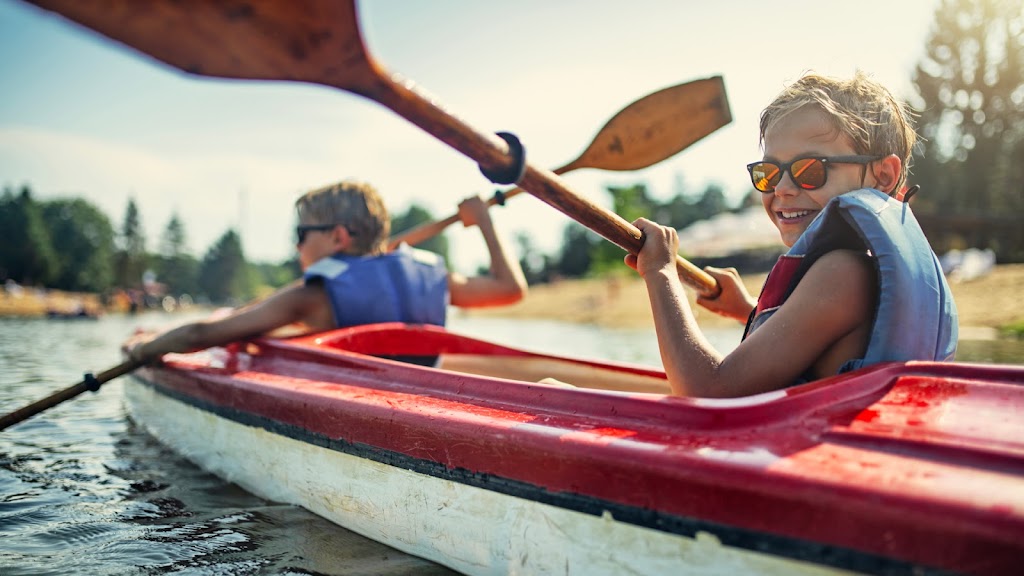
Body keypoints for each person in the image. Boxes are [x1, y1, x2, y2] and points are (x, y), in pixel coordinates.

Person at [626, 71, 958, 398]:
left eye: (810, 169)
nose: (782, 189)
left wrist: (660, 272)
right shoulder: (854, 274)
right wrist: (749, 310)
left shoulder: (842, 273)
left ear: (883, 175)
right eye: (768, 173)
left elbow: (707, 390)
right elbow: (821, 341)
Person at [127, 180, 527, 363]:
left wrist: (145, 348)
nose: (296, 244)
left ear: (337, 237)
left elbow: (202, 335)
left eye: (301, 233)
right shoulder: (431, 277)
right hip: (425, 400)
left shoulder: (310, 296)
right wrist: (485, 224)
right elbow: (510, 289)